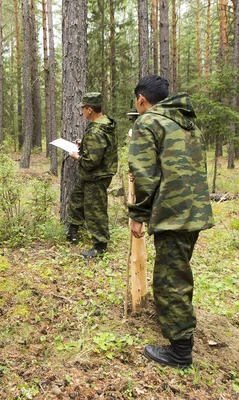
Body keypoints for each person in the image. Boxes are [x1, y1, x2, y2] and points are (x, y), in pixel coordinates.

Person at [128, 75, 214, 367]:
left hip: (172, 215)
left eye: (137, 102)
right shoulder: (186, 122)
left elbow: (145, 175)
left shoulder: (148, 122)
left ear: (142, 99)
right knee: (179, 273)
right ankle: (182, 330)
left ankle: (179, 351)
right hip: (195, 211)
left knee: (169, 282)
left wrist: (138, 214)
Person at [66, 92, 118, 258]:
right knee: (76, 200)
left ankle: (100, 246)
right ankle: (73, 232)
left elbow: (91, 162)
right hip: (93, 175)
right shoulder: (103, 124)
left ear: (89, 109)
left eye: (83, 108)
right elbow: (101, 147)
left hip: (96, 176)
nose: (82, 112)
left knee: (96, 211)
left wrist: (77, 156)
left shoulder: (97, 129)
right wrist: (85, 144)